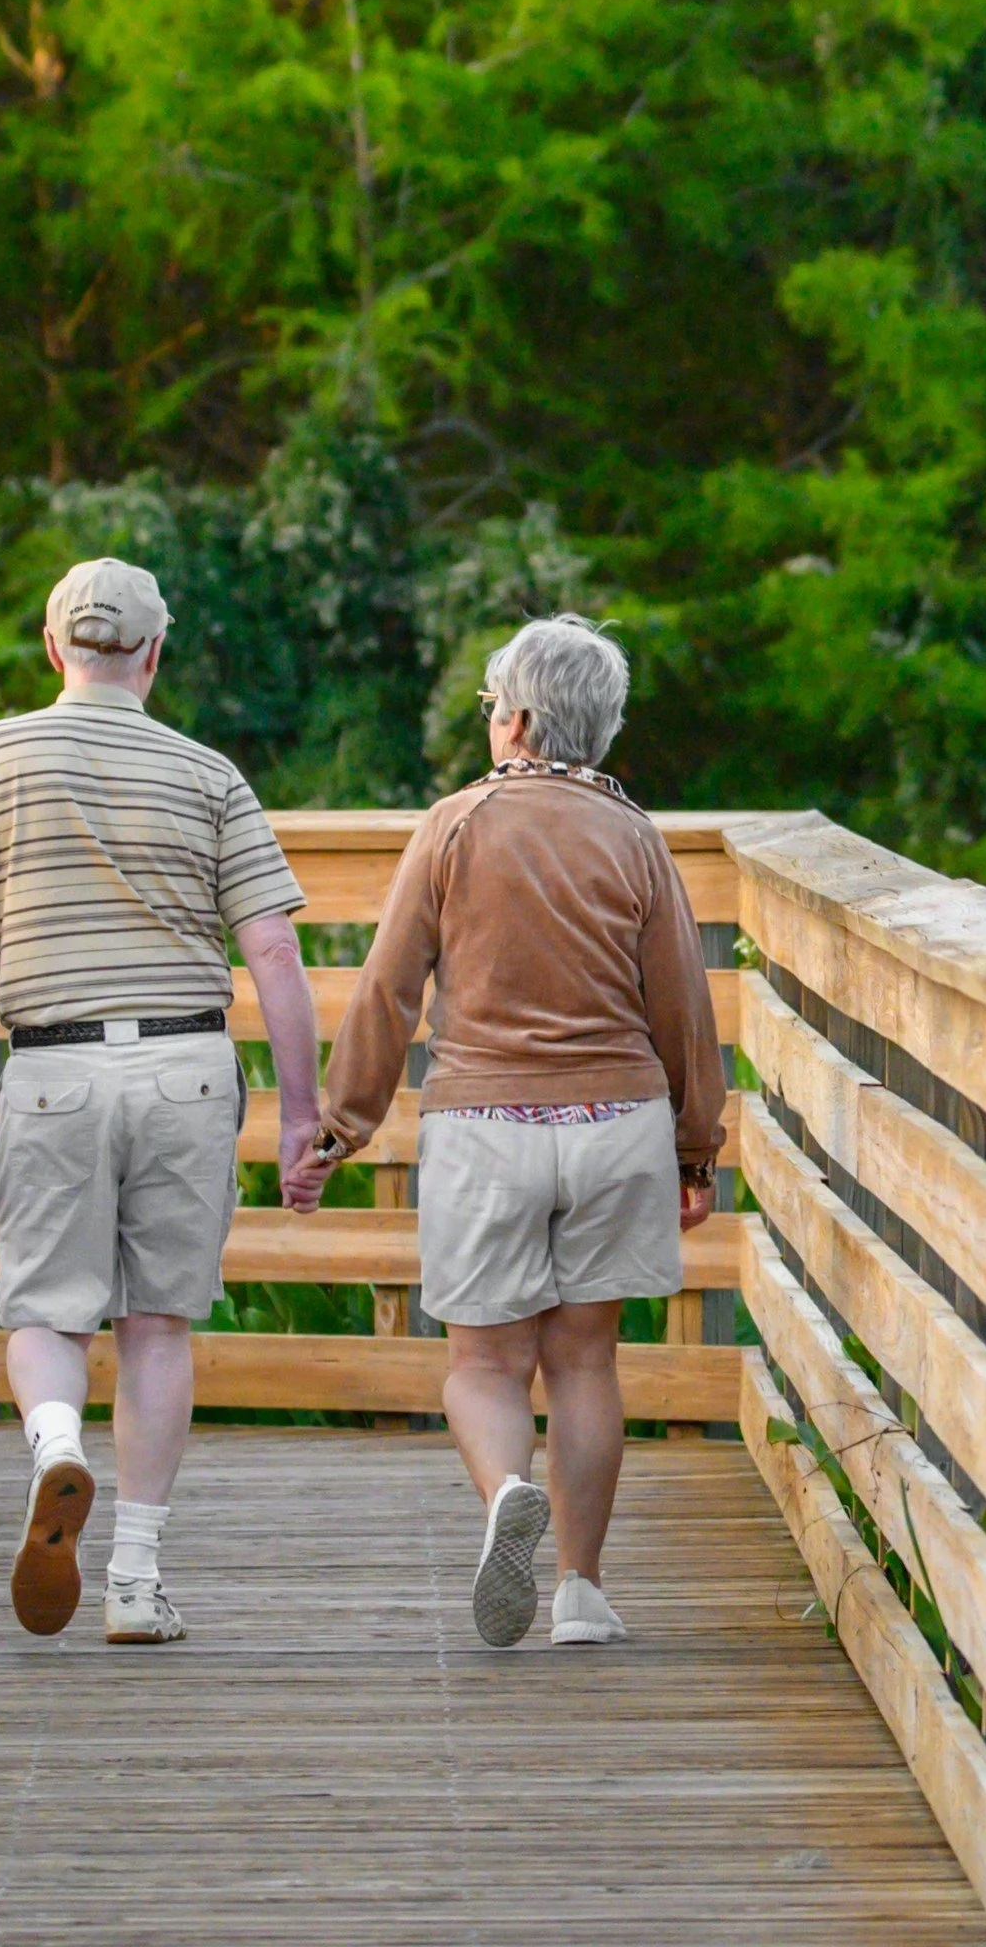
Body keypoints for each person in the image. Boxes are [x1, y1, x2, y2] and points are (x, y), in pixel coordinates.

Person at [286, 614, 726, 1648]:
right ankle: (580, 1589)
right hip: (616, 1121)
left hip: (486, 1122)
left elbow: (390, 989)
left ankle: (501, 1498)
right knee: (585, 1361)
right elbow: (682, 1006)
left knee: (484, 1363)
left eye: (492, 708)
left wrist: (339, 1127)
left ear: (518, 719)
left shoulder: (453, 824)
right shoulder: (635, 834)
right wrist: (693, 1148)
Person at [0, 557, 324, 1643]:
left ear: (54, 649)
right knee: (155, 1326)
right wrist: (299, 1110)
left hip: (51, 1067)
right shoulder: (209, 773)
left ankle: (55, 1443)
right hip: (186, 1069)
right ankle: (135, 1581)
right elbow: (274, 947)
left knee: (48, 1309)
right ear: (154, 653)